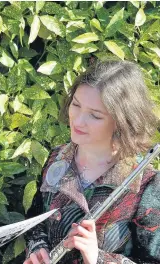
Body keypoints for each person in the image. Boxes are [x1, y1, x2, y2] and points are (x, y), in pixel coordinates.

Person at [24, 60, 160, 264]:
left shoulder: (146, 185)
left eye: (95, 116)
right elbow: (36, 218)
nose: (77, 121)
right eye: (76, 105)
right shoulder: (58, 158)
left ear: (121, 121)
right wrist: (38, 247)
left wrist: (98, 258)